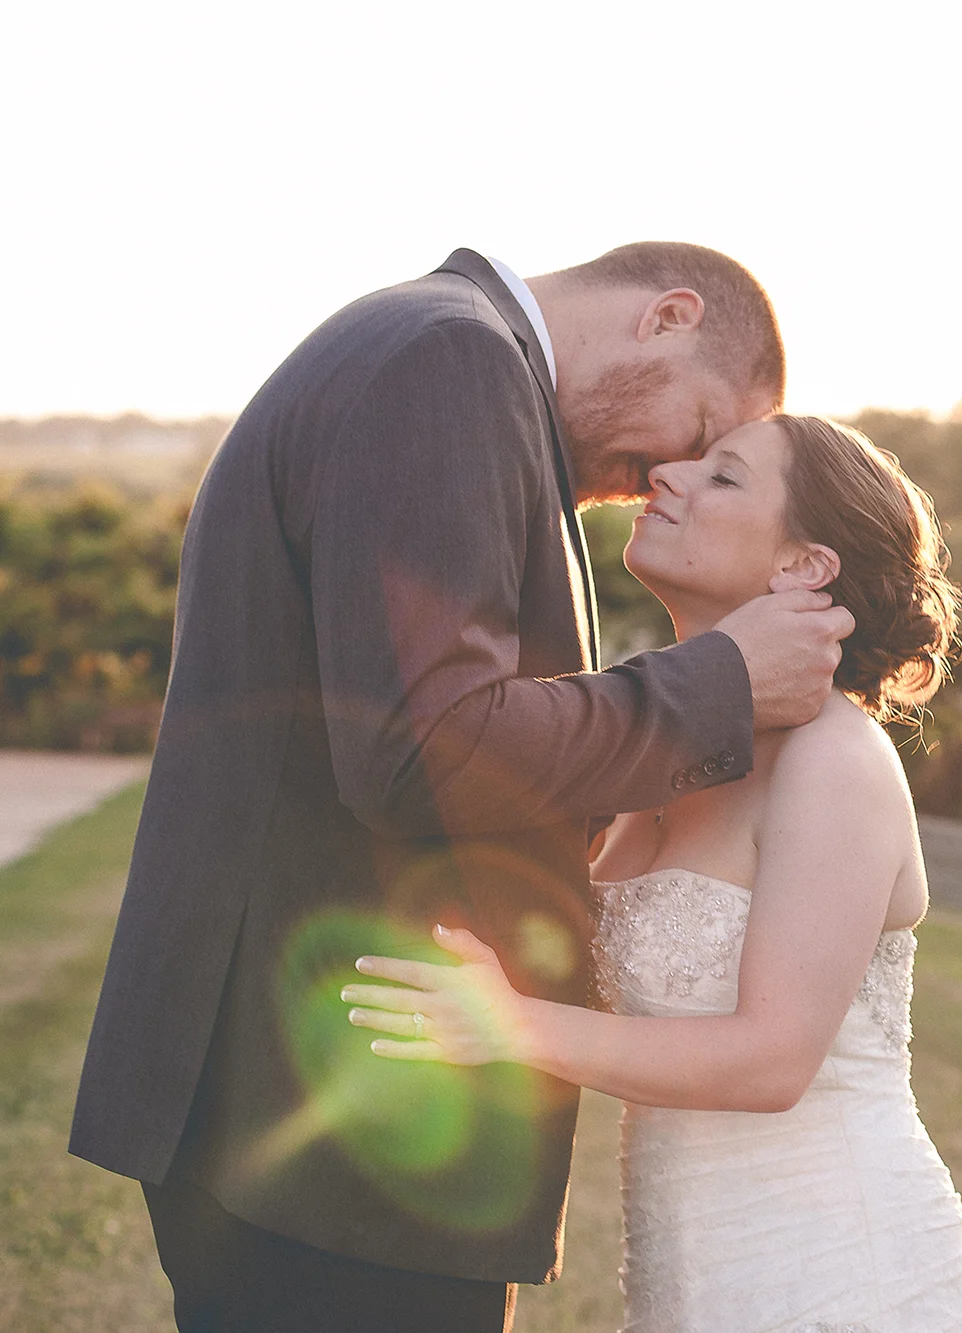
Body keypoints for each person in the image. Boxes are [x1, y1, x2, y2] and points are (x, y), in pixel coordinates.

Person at [69, 246, 853, 1332]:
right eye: (698, 428)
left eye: (715, 464)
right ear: (665, 318)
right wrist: (719, 684)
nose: (663, 471)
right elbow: (426, 744)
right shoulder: (449, 365)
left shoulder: (442, 359)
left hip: (323, 1087)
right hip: (340, 1104)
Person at [344, 415, 962, 1331]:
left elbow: (773, 1059)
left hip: (840, 1271)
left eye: (724, 477)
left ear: (803, 566)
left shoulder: (832, 759)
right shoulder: (667, 744)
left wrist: (511, 1026)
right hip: (686, 1269)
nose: (671, 476)